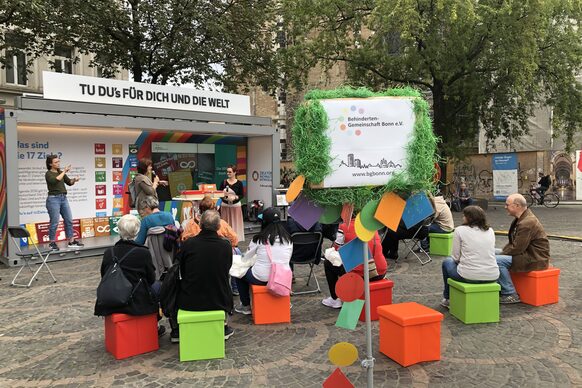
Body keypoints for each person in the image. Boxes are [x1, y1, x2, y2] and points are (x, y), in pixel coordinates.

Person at [173, 210, 234, 342]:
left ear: (200, 225)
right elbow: (227, 268)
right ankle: (223, 326)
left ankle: (176, 329)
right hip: (219, 299)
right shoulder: (225, 245)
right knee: (225, 281)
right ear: (218, 226)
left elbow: (182, 270)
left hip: (190, 298)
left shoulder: (188, 244)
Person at [94, 215, 159, 318]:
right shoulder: (143, 252)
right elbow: (151, 278)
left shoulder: (109, 252)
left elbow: (104, 276)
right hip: (137, 300)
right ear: (137, 232)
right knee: (158, 286)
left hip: (113, 297)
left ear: (119, 231)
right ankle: (155, 323)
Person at [234, 208, 293, 315]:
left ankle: (246, 305)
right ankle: (285, 301)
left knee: (238, 274)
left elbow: (246, 258)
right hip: (281, 278)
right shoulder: (288, 238)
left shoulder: (259, 238)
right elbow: (286, 258)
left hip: (261, 277)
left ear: (264, 222)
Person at [440, 206, 499, 308]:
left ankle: (447, 298)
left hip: (468, 275)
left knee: (447, 262)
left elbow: (455, 257)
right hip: (492, 275)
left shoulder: (459, 230)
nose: (463, 217)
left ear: (469, 218)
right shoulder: (490, 231)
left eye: (464, 216)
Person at [495, 193, 550, 303]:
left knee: (496, 260)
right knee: (491, 252)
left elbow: (517, 248)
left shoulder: (527, 222)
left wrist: (500, 255)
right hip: (527, 253)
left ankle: (510, 293)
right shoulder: (522, 218)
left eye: (507, 205)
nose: (505, 207)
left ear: (516, 206)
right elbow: (515, 244)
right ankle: (499, 285)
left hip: (533, 257)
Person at [322, 219, 388, 309]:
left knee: (328, 263)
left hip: (361, 274)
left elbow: (336, 251)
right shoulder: (372, 225)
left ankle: (335, 299)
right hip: (380, 271)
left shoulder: (344, 227)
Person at [45, 154, 83, 251]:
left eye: (58, 161)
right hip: (53, 199)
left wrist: (75, 180)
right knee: (54, 222)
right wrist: (65, 171)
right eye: (56, 162)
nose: (58, 163)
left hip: (63, 198)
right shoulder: (48, 173)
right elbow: (55, 180)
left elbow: (69, 182)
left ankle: (71, 241)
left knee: (69, 220)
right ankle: (52, 243)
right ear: (50, 164)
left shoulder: (61, 172)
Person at [219, 165, 245, 242]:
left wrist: (236, 197)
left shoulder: (239, 183)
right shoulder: (223, 182)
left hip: (235, 206)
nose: (228, 173)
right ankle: (225, 238)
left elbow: (242, 195)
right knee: (225, 223)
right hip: (225, 206)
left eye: (230, 172)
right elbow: (219, 193)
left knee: (235, 223)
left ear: (235, 172)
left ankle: (235, 239)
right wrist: (223, 196)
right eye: (227, 172)